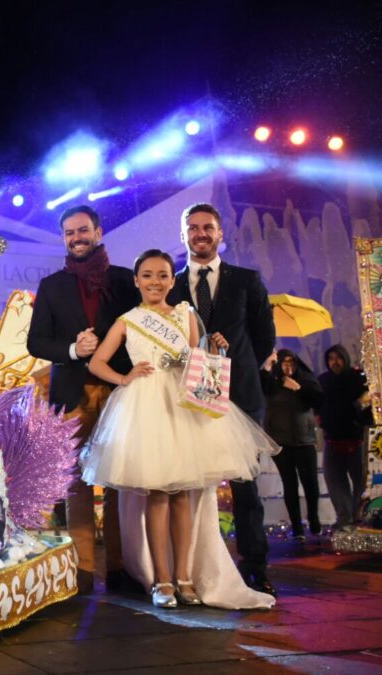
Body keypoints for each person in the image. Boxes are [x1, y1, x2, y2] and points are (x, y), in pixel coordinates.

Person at [82, 249, 277, 610]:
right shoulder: (128, 319)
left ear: (173, 280)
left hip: (184, 405)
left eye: (162, 275)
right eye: (147, 275)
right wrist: (124, 377)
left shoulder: (187, 314)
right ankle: (162, 580)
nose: (155, 282)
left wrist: (214, 351)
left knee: (184, 496)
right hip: (147, 408)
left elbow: (196, 358)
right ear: (137, 280)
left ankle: (186, 577)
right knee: (158, 495)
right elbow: (97, 362)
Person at [28, 205, 140, 591]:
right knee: (76, 483)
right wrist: (74, 349)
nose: (76, 238)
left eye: (82, 230)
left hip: (117, 390)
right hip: (71, 393)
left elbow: (143, 335)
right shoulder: (52, 285)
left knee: (116, 480)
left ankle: (121, 568)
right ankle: (83, 571)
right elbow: (36, 342)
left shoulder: (127, 281)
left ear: (98, 230)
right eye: (69, 233)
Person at [169, 202, 278, 597]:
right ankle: (196, 567)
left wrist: (233, 359)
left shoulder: (248, 279)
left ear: (220, 234)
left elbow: (265, 336)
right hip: (189, 397)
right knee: (191, 485)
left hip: (242, 395)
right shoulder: (171, 284)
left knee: (246, 487)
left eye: (208, 227)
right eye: (193, 227)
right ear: (182, 235)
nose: (200, 233)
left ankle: (255, 567)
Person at [262, 349, 323, 541]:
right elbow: (260, 385)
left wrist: (297, 388)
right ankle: (297, 527)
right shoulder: (272, 383)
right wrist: (267, 366)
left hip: (304, 441)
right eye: (284, 362)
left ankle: (313, 518)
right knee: (289, 485)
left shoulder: (306, 380)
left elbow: (318, 401)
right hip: (281, 443)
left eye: (291, 362)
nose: (288, 366)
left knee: (311, 484)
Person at [317, 344, 370, 530]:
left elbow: (367, 405)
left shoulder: (357, 379)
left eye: (338, 358)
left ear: (345, 358)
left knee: (361, 483)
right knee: (335, 482)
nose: (335, 362)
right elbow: (318, 403)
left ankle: (359, 518)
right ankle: (344, 518)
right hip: (332, 440)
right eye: (331, 359)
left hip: (356, 439)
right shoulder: (323, 380)